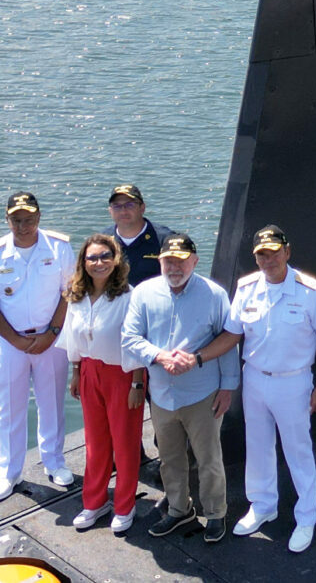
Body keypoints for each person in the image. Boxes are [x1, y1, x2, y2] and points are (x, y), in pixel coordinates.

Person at [200, 226, 316, 555]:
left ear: (287, 252)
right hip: (255, 378)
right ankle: (263, 505)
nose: (269, 259)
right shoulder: (247, 288)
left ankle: (306, 515)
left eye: (274, 252)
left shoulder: (309, 291)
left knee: (298, 450)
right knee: (258, 445)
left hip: (293, 381)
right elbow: (233, 335)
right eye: (262, 254)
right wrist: (197, 358)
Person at [121, 232, 239, 543]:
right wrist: (159, 355)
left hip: (203, 393)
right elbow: (130, 338)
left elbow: (227, 342)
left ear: (195, 262)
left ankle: (215, 513)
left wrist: (227, 387)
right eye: (168, 261)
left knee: (208, 458)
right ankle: (178, 509)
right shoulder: (144, 293)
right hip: (161, 395)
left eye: (182, 261)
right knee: (170, 458)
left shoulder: (214, 294)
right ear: (159, 262)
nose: (175, 267)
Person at [0, 191, 75, 502]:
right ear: (7, 220)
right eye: (16, 220)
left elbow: (69, 292)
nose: (23, 225)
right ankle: (9, 471)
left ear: (39, 217)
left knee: (52, 402)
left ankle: (54, 461)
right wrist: (15, 339)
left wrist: (53, 332)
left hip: (51, 338)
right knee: (10, 405)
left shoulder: (59, 247)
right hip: (10, 341)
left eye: (29, 219)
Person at [56, 233, 145, 534]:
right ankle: (94, 502)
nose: (99, 262)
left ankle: (124, 505)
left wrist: (136, 384)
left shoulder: (127, 297)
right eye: (92, 257)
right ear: (84, 262)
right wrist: (76, 372)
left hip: (122, 373)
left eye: (105, 256)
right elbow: (73, 336)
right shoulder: (77, 296)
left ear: (116, 259)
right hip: (90, 371)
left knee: (124, 443)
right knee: (95, 443)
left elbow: (136, 343)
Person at [107, 183, 170, 286]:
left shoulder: (165, 239)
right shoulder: (102, 241)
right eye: (117, 206)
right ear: (110, 211)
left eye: (130, 205)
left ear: (142, 208)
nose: (123, 211)